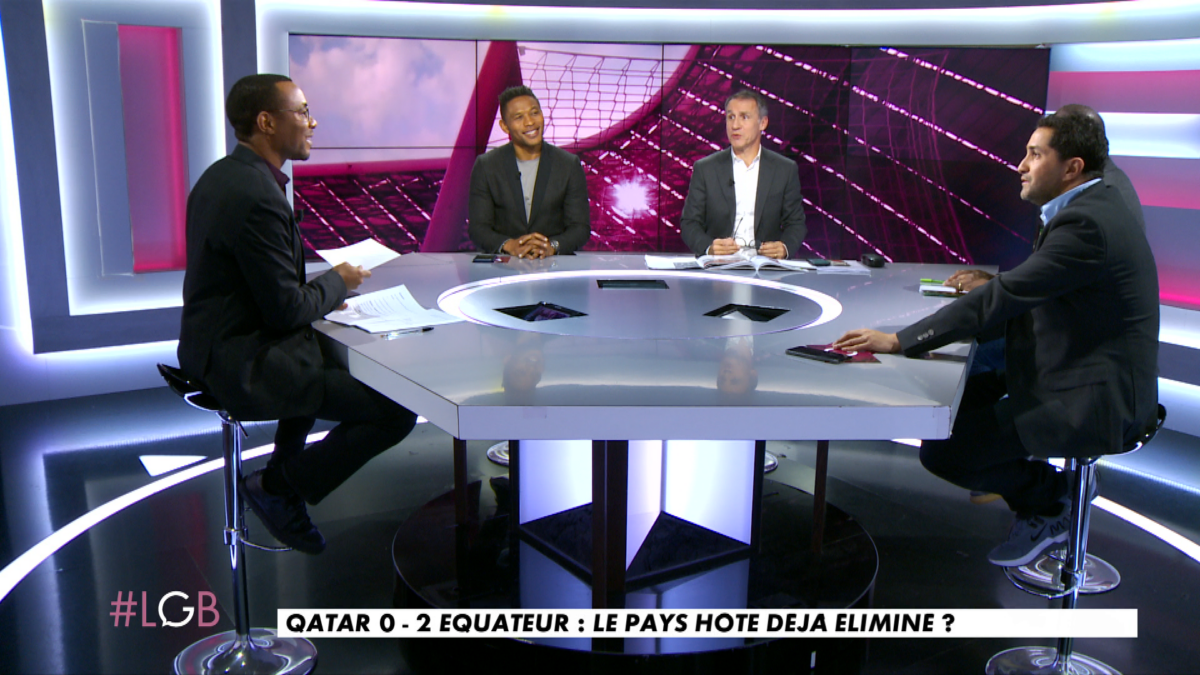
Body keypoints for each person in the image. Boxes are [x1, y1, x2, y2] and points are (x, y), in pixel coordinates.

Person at [832, 112, 1159, 567]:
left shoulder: (1087, 224)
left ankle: (1053, 499)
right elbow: (1036, 287)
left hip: (1092, 395)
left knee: (946, 451)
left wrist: (901, 340)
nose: (1020, 166)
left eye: (1035, 155)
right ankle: (1024, 482)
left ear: (1072, 168)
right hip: (1069, 359)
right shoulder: (1093, 200)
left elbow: (1003, 299)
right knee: (959, 393)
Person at [178, 74, 417, 554]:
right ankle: (279, 486)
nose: (313, 122)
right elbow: (286, 310)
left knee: (324, 356)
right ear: (267, 122)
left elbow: (266, 288)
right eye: (303, 111)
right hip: (241, 363)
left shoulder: (224, 175)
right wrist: (338, 281)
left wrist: (322, 294)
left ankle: (279, 480)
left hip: (217, 345)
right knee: (396, 412)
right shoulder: (256, 196)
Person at [944, 104, 1146, 296]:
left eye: (1036, 154)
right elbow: (1052, 274)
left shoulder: (1096, 206)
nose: (1021, 167)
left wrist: (993, 287)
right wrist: (996, 281)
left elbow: (1053, 286)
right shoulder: (1096, 189)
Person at [679, 89, 806, 259]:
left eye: (744, 117)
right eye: (731, 117)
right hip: (720, 266)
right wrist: (709, 247)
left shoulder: (784, 169)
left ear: (762, 123)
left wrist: (784, 247)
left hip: (765, 266)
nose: (735, 125)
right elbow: (689, 223)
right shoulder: (706, 169)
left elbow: (796, 224)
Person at [468, 85, 591, 258]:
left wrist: (551, 246)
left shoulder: (568, 164)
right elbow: (478, 228)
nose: (530, 122)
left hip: (555, 265)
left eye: (534, 113)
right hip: (505, 266)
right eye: (519, 117)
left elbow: (580, 227)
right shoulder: (486, 166)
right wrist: (510, 245)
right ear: (505, 126)